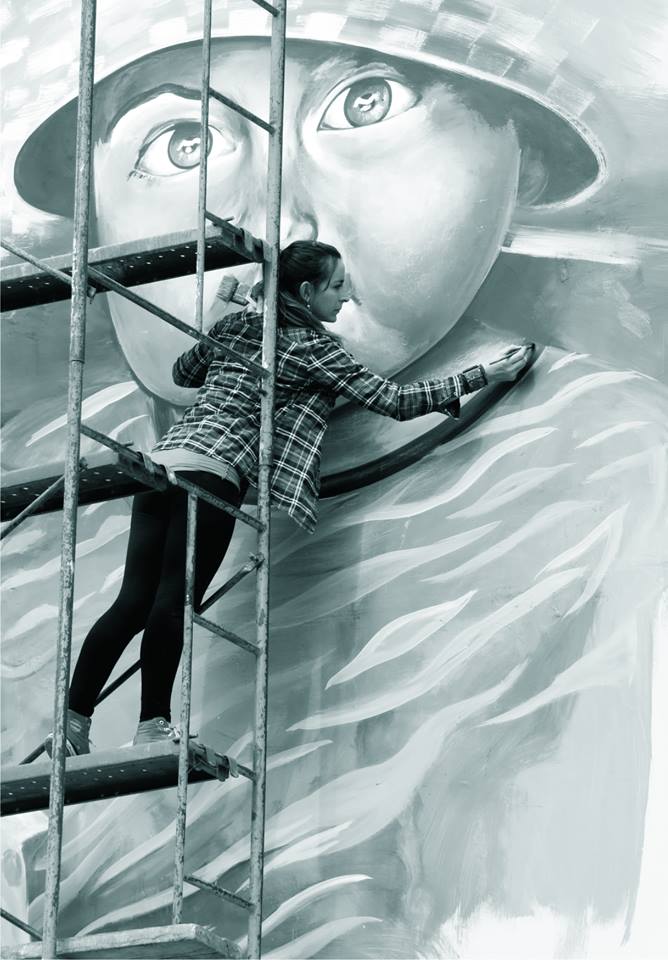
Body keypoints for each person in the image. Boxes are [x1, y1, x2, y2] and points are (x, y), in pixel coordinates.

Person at [47, 239, 531, 756]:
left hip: (162, 464)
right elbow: (393, 400)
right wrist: (483, 373)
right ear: (305, 291)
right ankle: (152, 725)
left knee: (132, 602)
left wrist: (227, 316)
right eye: (337, 286)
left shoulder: (238, 326)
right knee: (174, 599)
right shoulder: (314, 348)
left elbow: (182, 374)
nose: (346, 297)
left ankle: (72, 724)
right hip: (212, 474)